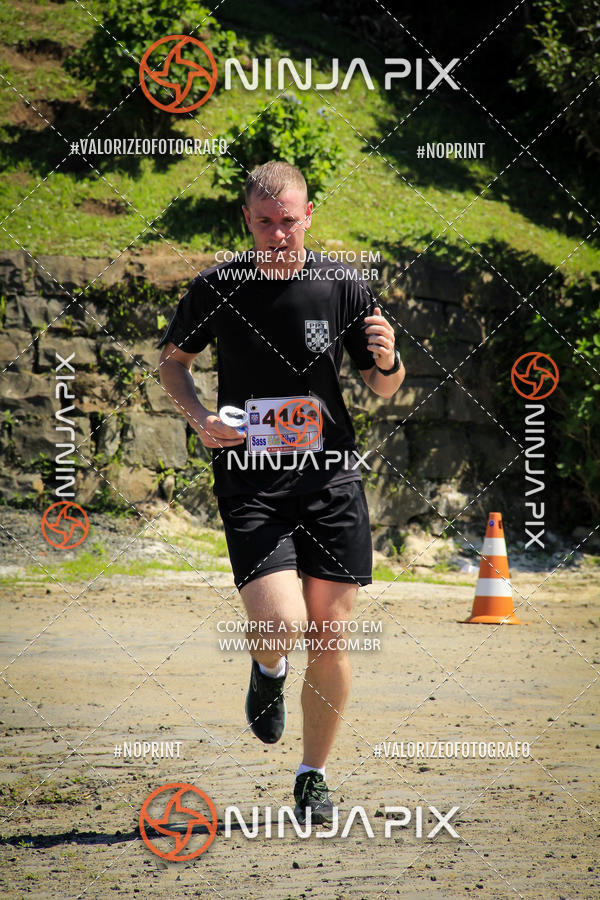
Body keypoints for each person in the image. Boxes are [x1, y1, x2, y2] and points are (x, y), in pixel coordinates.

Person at [158, 160, 405, 824]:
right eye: (264, 222)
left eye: (288, 221)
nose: (277, 234)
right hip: (252, 482)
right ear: (247, 220)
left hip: (331, 479)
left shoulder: (343, 285)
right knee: (281, 626)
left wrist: (389, 358)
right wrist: (199, 419)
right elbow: (172, 365)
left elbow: (384, 386)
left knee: (330, 636)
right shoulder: (219, 286)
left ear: (308, 216)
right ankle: (268, 669)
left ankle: (312, 776)